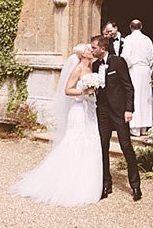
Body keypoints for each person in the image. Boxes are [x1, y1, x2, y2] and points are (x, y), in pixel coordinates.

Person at [11, 44, 102, 207]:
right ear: (82, 55)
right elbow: (67, 90)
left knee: (90, 143)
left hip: (89, 110)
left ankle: (87, 184)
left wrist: (93, 90)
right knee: (76, 142)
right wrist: (84, 92)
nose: (91, 51)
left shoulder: (91, 68)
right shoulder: (77, 69)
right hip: (78, 110)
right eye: (88, 50)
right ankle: (68, 183)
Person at [91, 35, 142, 201]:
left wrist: (129, 109)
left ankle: (135, 186)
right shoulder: (95, 65)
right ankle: (106, 184)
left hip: (119, 112)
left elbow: (129, 87)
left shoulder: (118, 62)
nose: (92, 50)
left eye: (94, 48)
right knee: (102, 146)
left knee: (126, 146)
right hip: (103, 111)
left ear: (103, 49)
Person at [123, 19, 153, 136]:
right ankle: (144, 127)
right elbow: (151, 56)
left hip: (134, 70)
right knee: (145, 97)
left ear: (130, 27)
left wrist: (128, 66)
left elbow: (125, 56)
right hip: (145, 71)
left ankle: (135, 127)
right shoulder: (147, 40)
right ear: (141, 27)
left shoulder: (128, 39)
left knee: (135, 96)